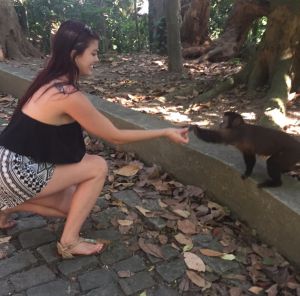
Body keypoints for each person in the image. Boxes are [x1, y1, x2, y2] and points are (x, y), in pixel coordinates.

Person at [0, 20, 189, 258]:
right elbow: (115, 137)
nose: (96, 59)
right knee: (97, 166)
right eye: (93, 53)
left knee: (74, 207)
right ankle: (69, 242)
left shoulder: (48, 80)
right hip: (15, 170)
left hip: (8, 164)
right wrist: (164, 131)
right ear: (73, 54)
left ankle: (6, 205)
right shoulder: (67, 95)